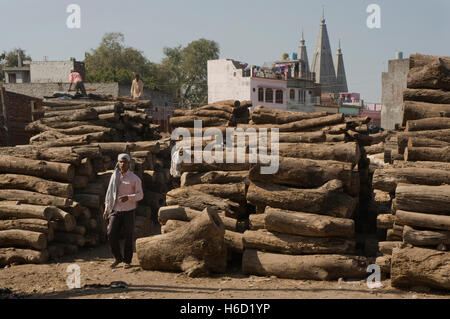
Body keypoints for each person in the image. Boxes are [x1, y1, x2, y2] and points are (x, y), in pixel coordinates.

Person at [103, 153, 143, 269]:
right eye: (120, 162)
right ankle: (117, 258)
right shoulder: (114, 176)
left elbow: (140, 195)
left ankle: (127, 260)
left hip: (128, 211)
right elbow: (109, 193)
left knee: (128, 236)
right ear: (118, 163)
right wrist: (106, 208)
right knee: (110, 233)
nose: (122, 164)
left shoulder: (134, 178)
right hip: (115, 210)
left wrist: (129, 197)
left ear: (129, 163)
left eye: (125, 162)